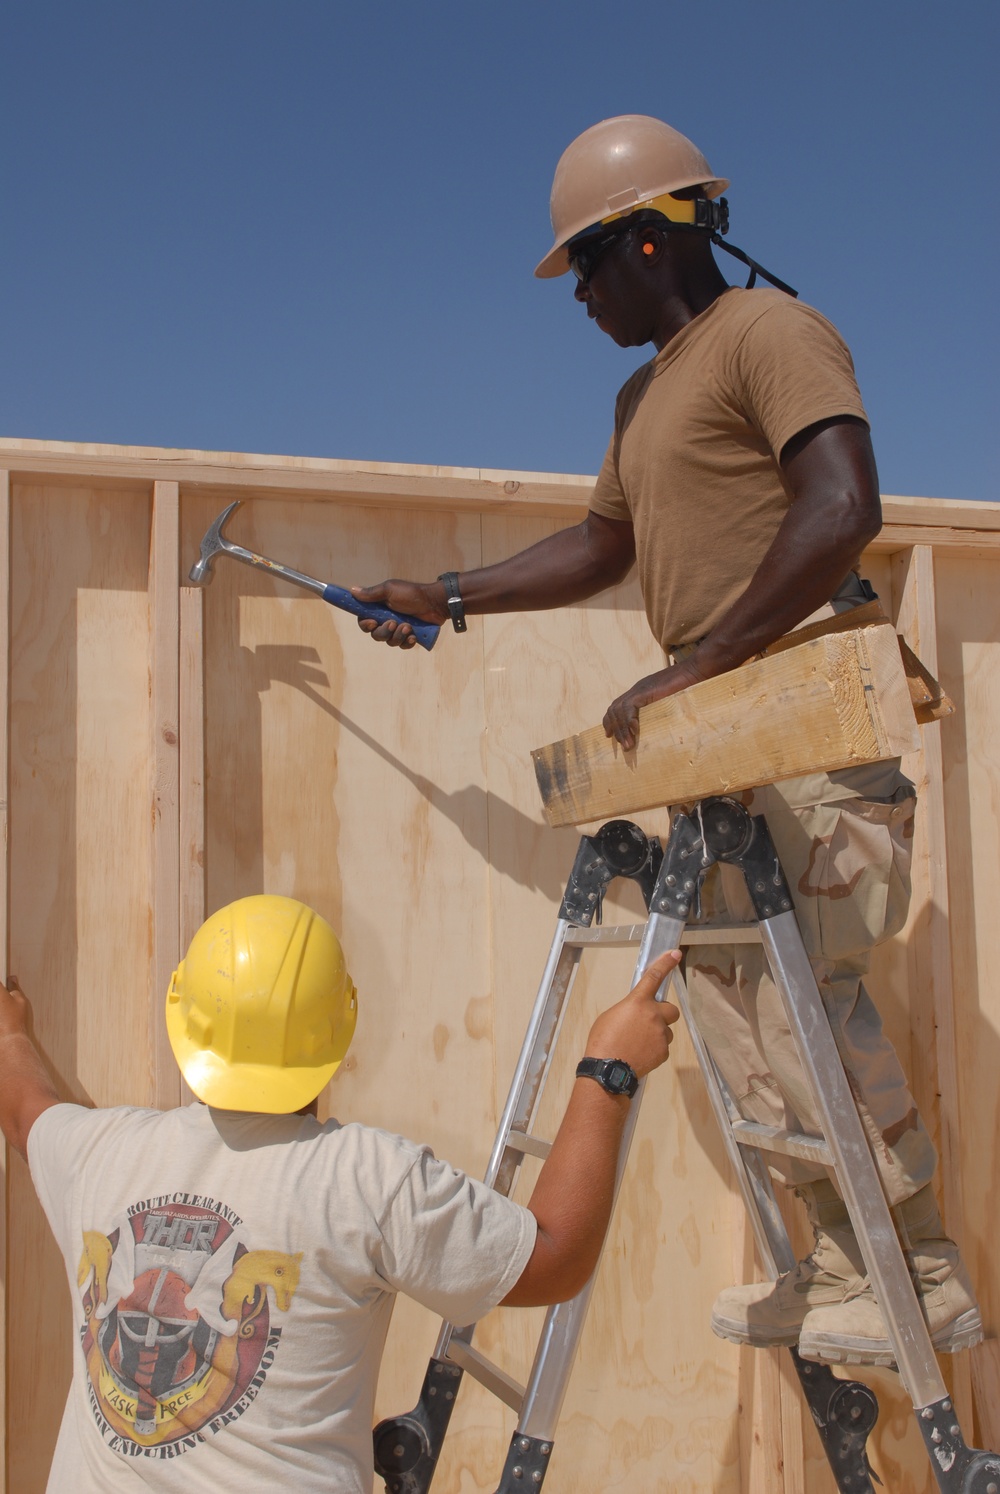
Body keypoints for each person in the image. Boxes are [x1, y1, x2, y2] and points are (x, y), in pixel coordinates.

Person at [350, 114, 982, 1366]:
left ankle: (919, 1272)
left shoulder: (769, 335)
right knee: (740, 1004)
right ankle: (840, 1263)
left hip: (803, 704)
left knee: (817, 1000)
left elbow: (843, 507)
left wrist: (705, 660)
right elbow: (602, 546)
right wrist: (453, 593)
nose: (575, 295)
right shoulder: (641, 395)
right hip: (726, 725)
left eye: (584, 266)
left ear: (651, 238)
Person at [2, 893, 679, 1492]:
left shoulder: (97, 1152)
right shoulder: (366, 1179)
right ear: (340, 1029)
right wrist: (608, 1068)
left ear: (183, 1015)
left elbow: (23, 1105)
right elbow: (556, 1257)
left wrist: (10, 1030)